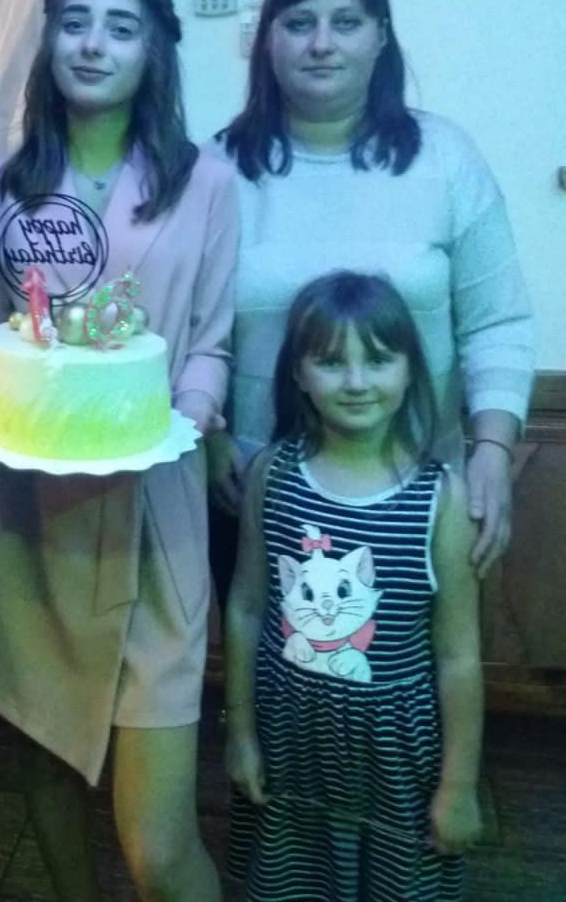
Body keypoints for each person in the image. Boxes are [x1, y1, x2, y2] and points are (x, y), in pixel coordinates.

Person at [0, 0, 238, 901]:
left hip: (158, 521)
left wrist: (171, 421)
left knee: (157, 849)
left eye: (121, 28)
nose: (93, 44)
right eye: (75, 22)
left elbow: (211, 344)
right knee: (45, 765)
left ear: (154, 50)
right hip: (32, 524)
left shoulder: (207, 184)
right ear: (49, 40)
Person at [208, 0, 533, 605]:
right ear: (267, 40)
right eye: (299, 22)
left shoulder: (446, 159)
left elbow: (497, 323)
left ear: (381, 36)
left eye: (346, 22)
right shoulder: (214, 173)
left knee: (420, 666)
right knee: (272, 663)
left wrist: (494, 451)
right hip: (262, 498)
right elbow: (184, 335)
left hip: (421, 498)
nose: (321, 43)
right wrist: (210, 442)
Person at [225, 270, 482, 899]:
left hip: (398, 764)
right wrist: (240, 735)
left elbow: (458, 657)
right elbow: (247, 609)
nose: (357, 381)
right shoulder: (271, 476)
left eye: (379, 359)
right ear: (298, 373)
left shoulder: (440, 499)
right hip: (290, 748)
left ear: (409, 370)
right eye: (332, 362)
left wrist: (458, 787)